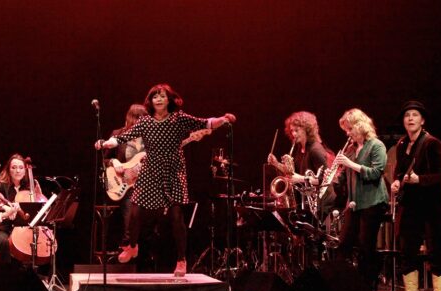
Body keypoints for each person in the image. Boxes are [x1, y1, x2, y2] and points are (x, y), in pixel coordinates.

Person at [95, 83, 236, 277]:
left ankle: (181, 260)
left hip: (173, 171)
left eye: (162, 96)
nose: (159, 99)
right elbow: (122, 137)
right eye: (155, 97)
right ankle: (133, 246)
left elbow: (205, 123)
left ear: (169, 99)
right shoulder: (145, 122)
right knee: (136, 211)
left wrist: (223, 119)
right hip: (150, 170)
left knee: (176, 216)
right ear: (150, 101)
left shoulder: (179, 118)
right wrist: (106, 142)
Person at [390, 101, 441, 291]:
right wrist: (397, 182)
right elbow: (400, 172)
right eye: (407, 115)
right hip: (410, 204)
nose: (410, 118)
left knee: (436, 251)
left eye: (415, 115)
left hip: (432, 204)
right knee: (406, 250)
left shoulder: (432, 143)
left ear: (422, 120)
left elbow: (440, 175)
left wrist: (420, 179)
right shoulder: (402, 144)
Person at [333, 108, 389, 289]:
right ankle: (342, 287)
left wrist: (350, 164)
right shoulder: (350, 149)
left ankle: (367, 289)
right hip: (355, 203)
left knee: (366, 247)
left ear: (359, 126)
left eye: (349, 129)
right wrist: (333, 175)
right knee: (343, 245)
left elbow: (376, 173)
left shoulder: (376, 145)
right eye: (346, 131)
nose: (347, 134)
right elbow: (344, 177)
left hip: (373, 202)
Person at [267, 111, 337, 220]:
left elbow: (326, 180)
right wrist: (276, 163)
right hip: (308, 202)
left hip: (322, 205)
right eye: (292, 131)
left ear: (306, 129)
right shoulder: (300, 148)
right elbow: (292, 174)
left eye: (297, 130)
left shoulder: (315, 150)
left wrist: (301, 178)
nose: (294, 134)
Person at [103, 104, 148, 249]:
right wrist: (114, 161)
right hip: (125, 184)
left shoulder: (150, 138)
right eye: (136, 120)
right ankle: (128, 243)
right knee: (131, 205)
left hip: (147, 183)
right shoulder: (118, 134)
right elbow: (103, 160)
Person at [0, 153, 46, 263]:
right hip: (5, 227)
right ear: (8, 169)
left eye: (21, 168)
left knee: (42, 243)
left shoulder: (28, 186)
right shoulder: (1, 185)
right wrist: (6, 207)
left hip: (24, 228)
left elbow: (37, 208)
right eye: (14, 167)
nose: (18, 171)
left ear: (25, 170)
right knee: (3, 241)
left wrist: (39, 195)